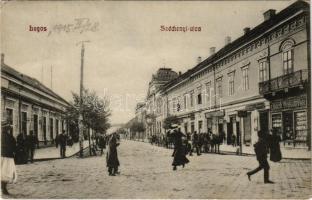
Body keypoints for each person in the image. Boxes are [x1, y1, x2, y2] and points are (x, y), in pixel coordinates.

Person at [1, 121, 17, 195]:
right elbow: (14, 146)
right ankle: (3, 188)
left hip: (2, 156)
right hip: (8, 157)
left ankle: (3, 187)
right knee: (6, 172)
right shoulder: (9, 136)